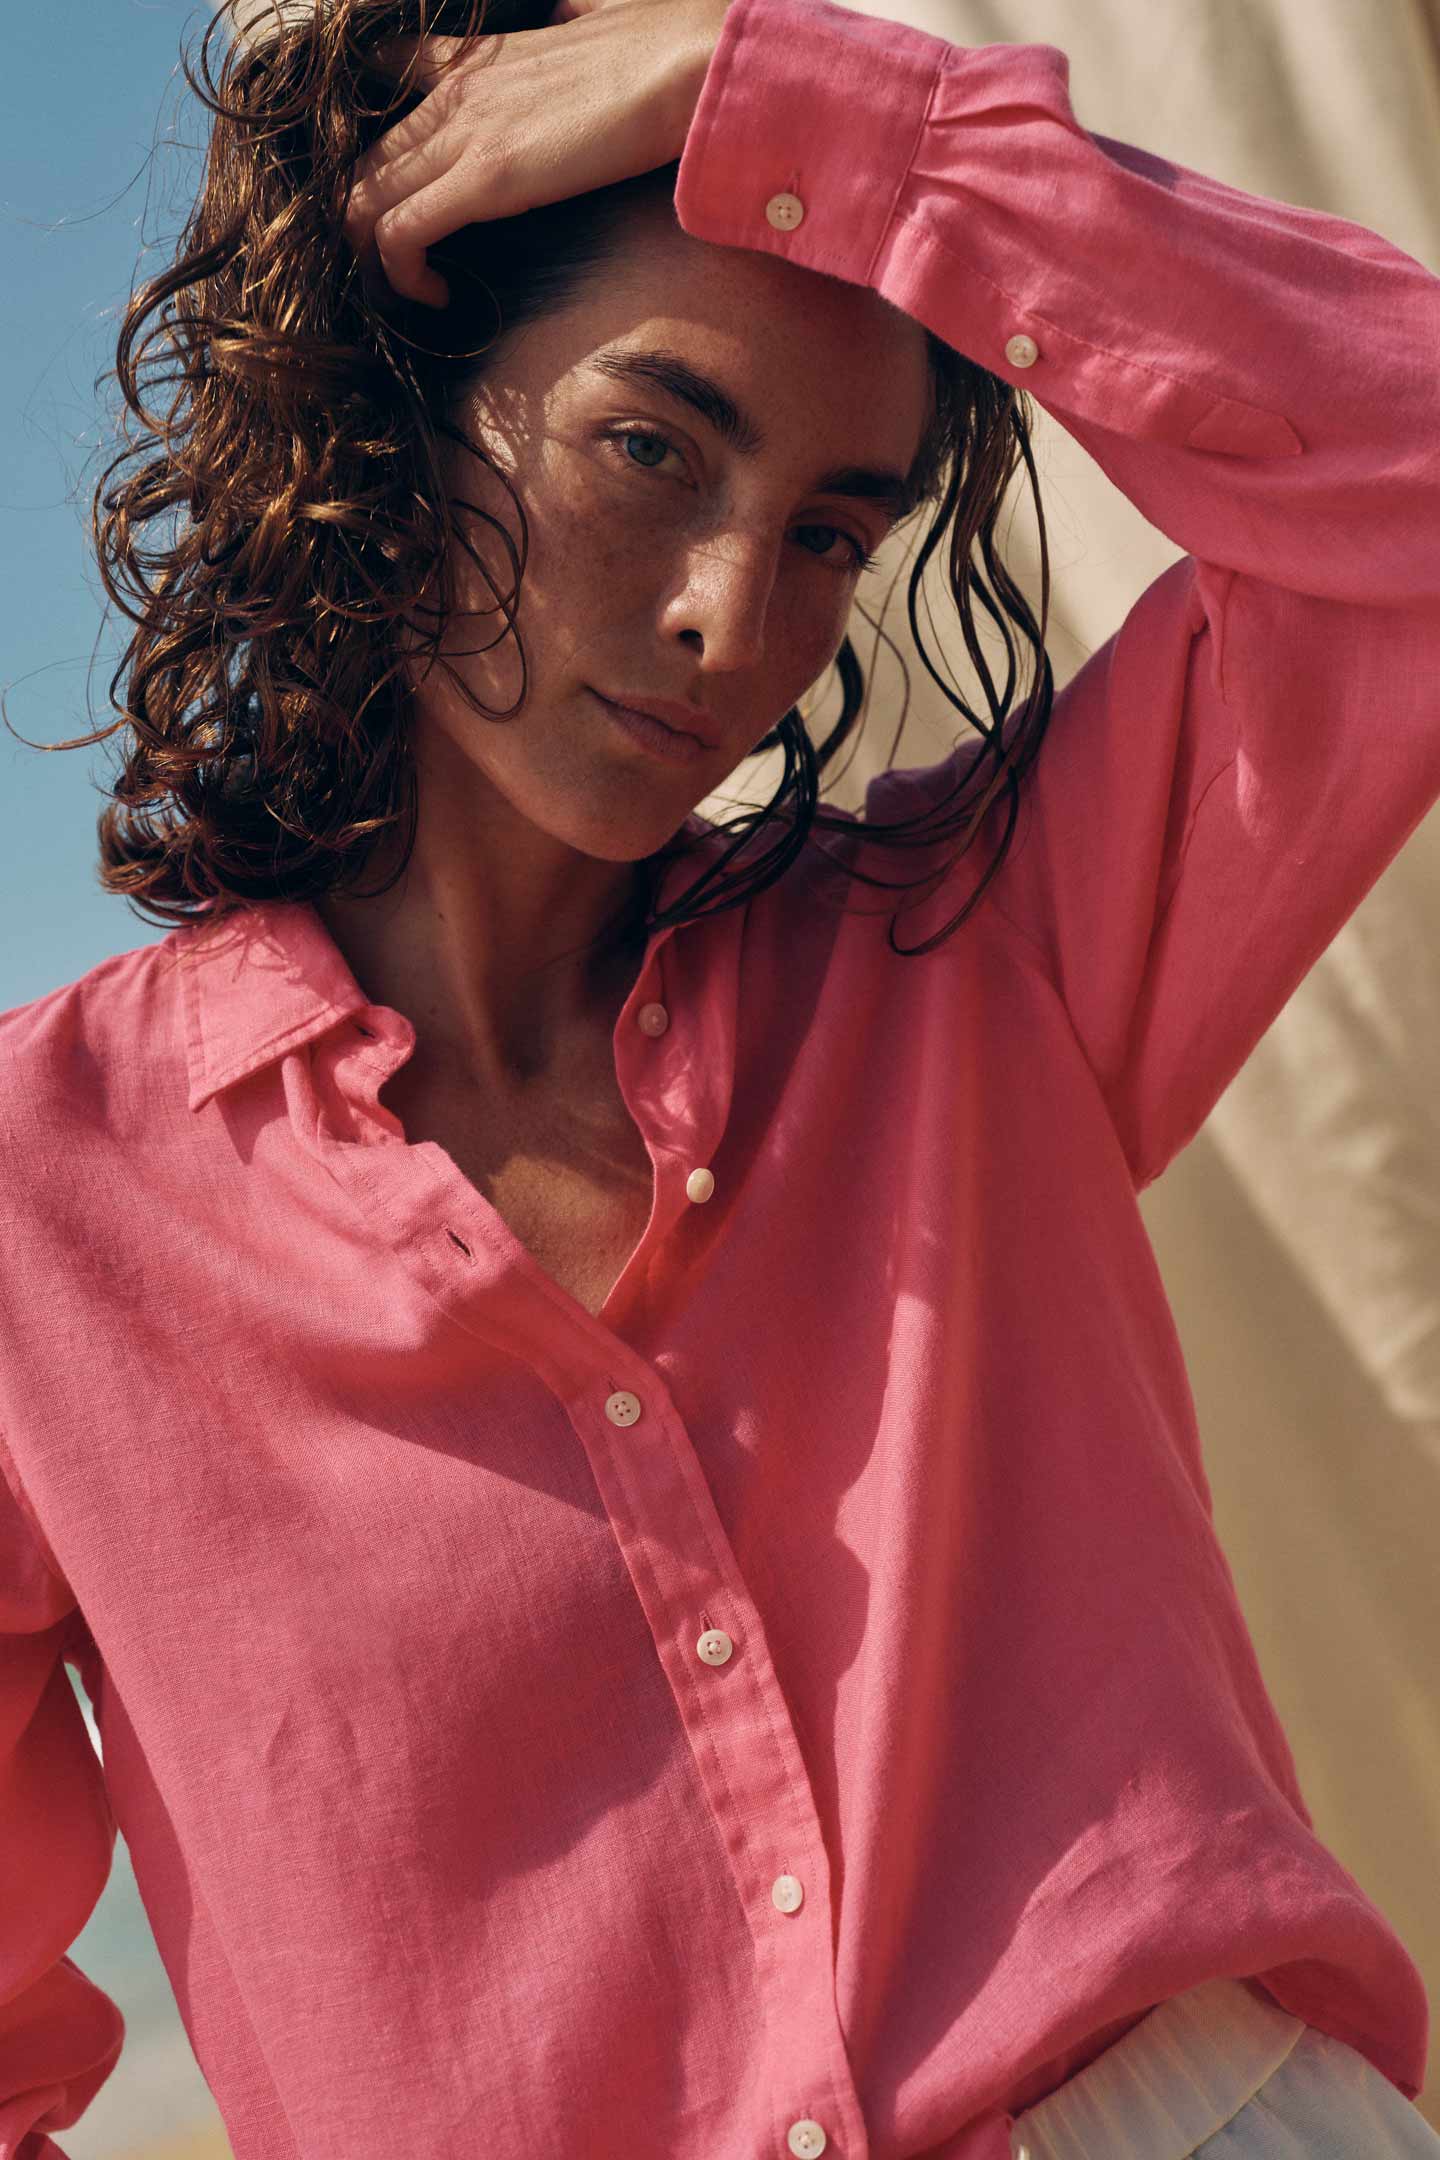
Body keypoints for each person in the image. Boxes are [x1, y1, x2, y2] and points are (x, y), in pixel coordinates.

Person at [1, 0, 1438, 2154]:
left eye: (833, 531)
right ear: (401, 410)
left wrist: (807, 113)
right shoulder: (41, 1203)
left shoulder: (983, 957)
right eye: (653, 446)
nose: (725, 617)